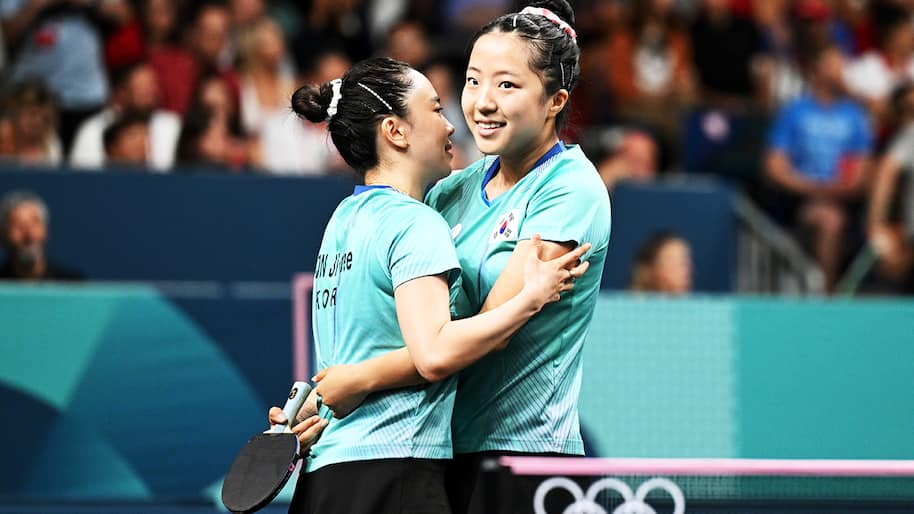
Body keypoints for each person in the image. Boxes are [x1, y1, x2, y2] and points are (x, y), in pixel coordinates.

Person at [288, 2, 612, 513]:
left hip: (522, 453)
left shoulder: (570, 190)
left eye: (507, 85)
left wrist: (357, 379)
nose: (481, 102)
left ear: (555, 101)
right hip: (437, 453)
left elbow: (491, 327)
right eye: (473, 81)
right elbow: (401, 326)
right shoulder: (448, 194)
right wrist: (321, 406)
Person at [763, 40, 872, 292]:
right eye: (831, 65)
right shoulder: (794, 111)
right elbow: (775, 167)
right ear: (815, 70)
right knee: (828, 219)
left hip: (842, 200)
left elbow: (860, 170)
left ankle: (827, 294)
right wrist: (813, 188)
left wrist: (841, 187)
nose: (838, 71)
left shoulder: (854, 115)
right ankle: (824, 298)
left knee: (832, 217)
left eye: (840, 65)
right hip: (799, 200)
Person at [0, 190, 82, 280]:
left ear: (46, 230)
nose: (29, 234)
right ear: (3, 234)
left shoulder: (72, 284)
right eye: (19, 226)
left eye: (35, 224)